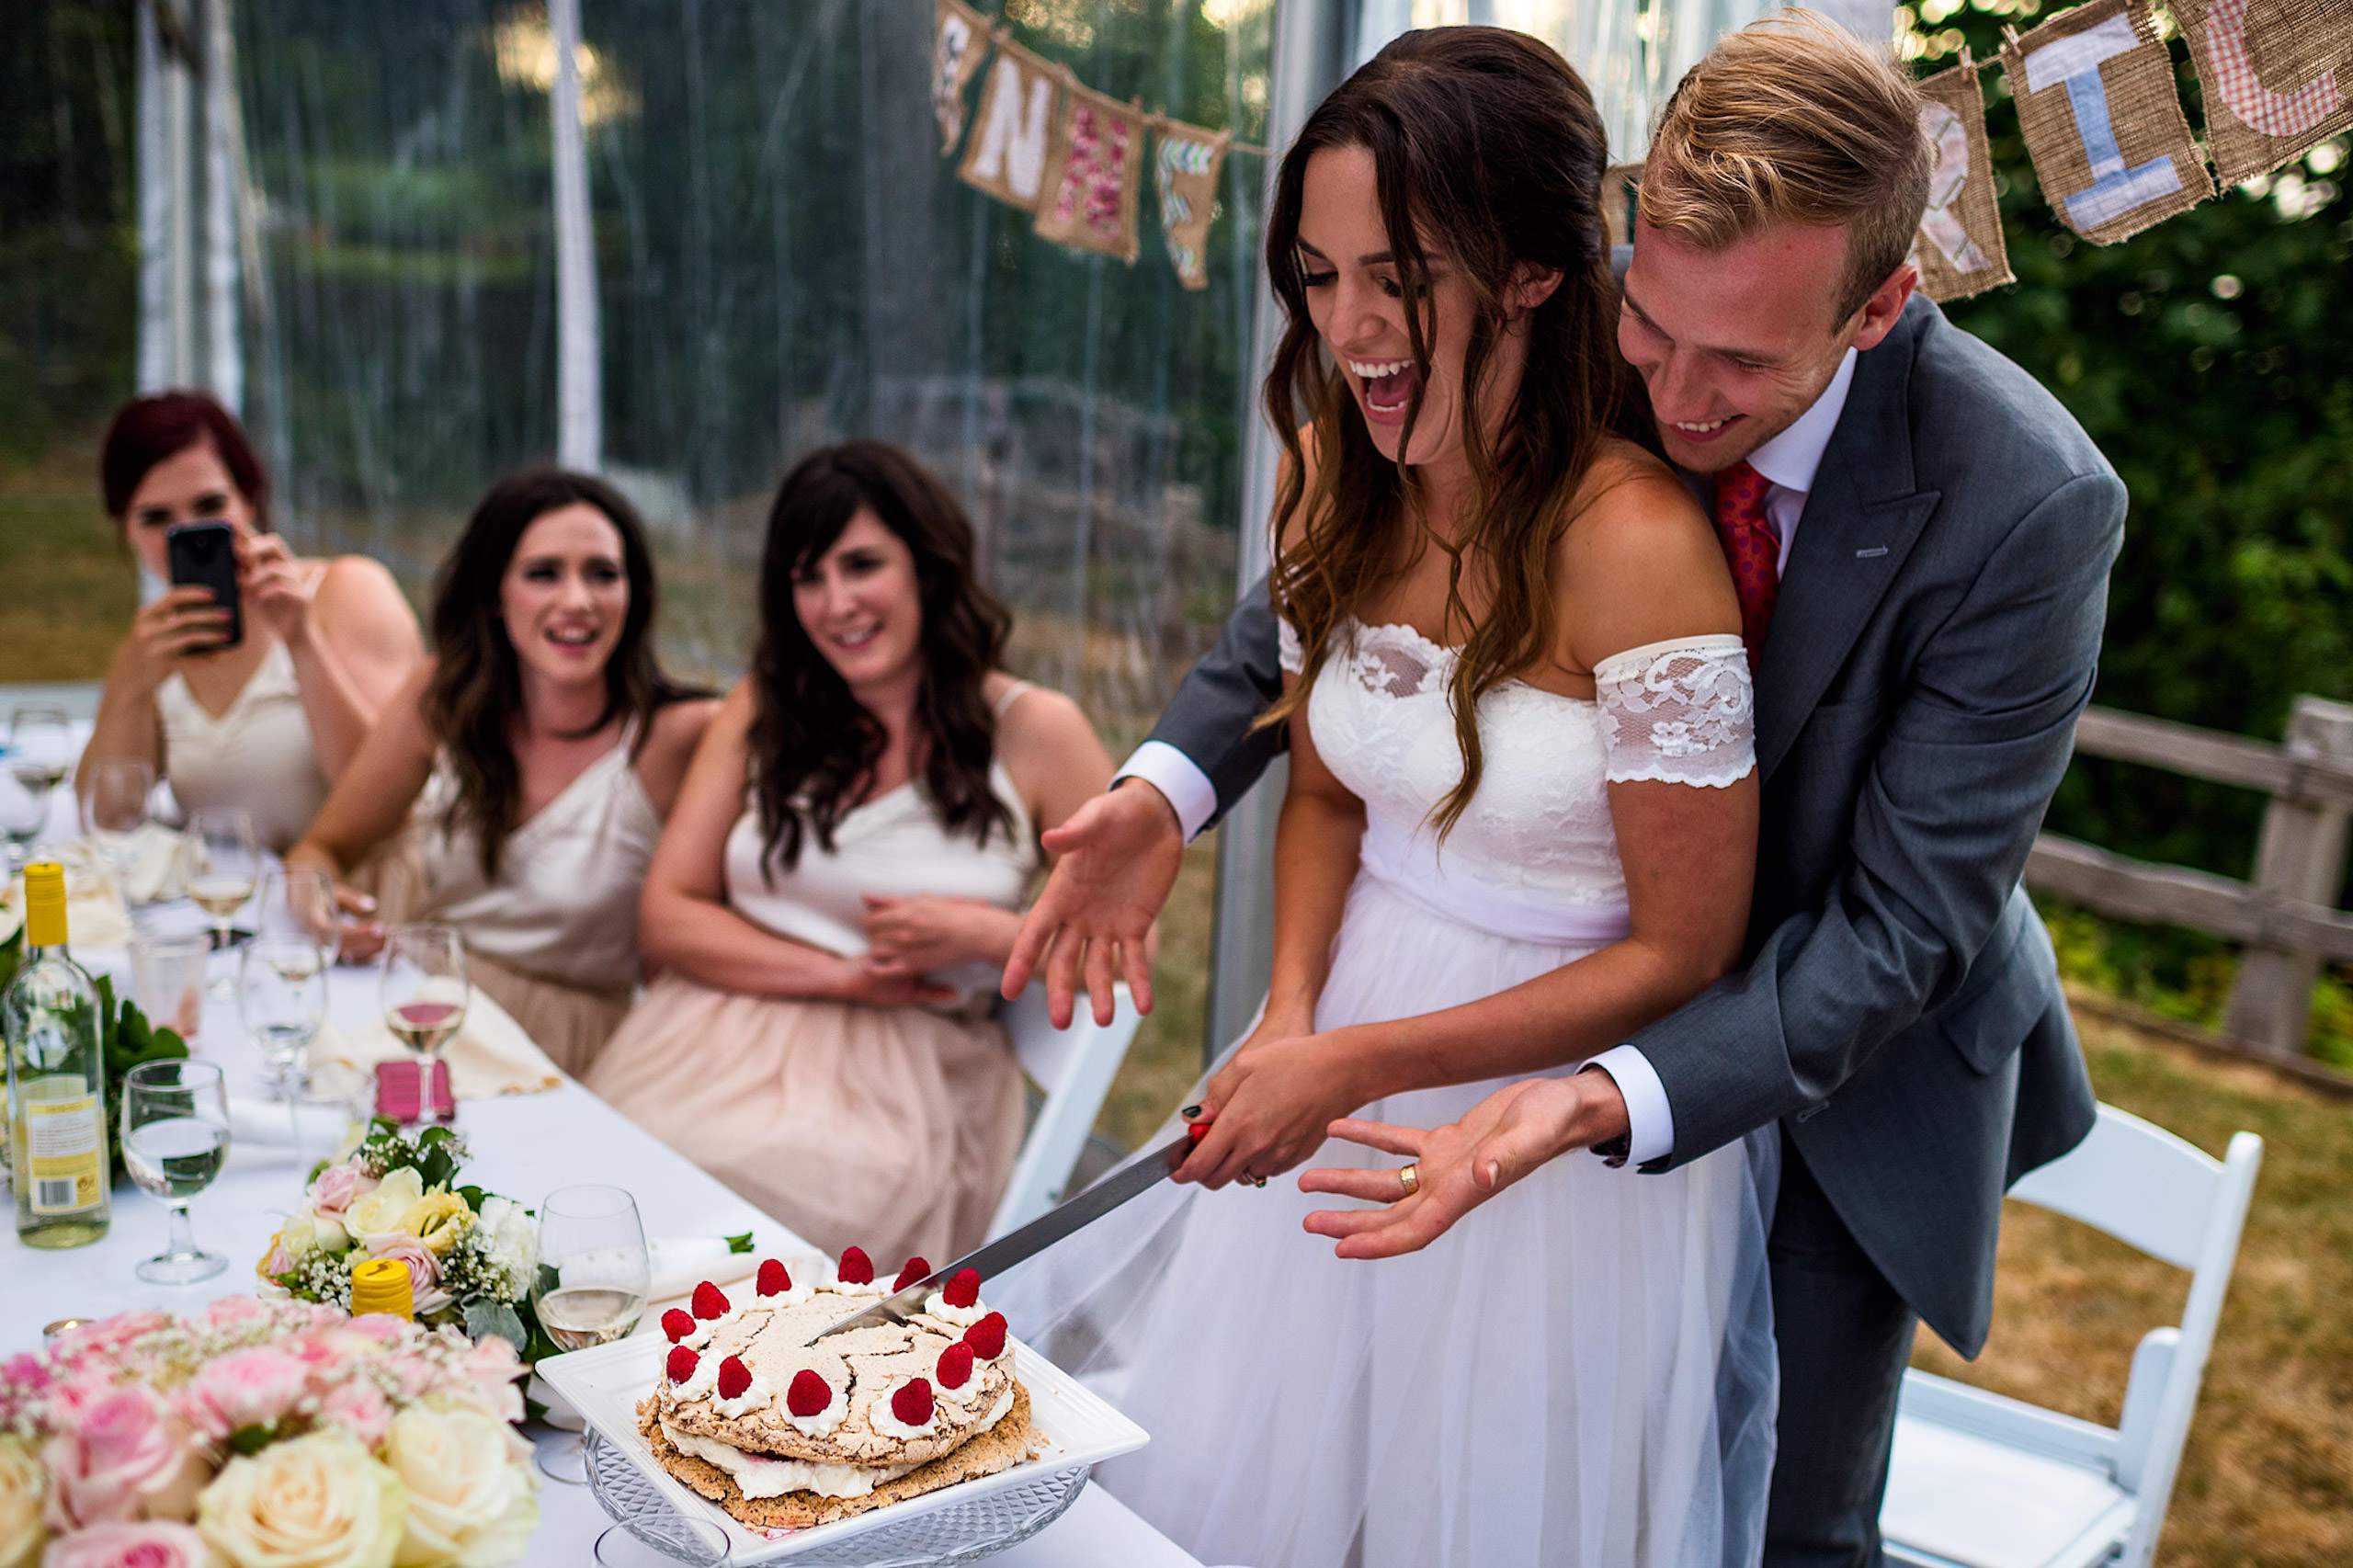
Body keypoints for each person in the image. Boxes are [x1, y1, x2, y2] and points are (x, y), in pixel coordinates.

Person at [1015, 17, 2126, 1568]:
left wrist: (1589, 1097)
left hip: (1837, 1049)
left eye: (1740, 360)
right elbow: (1335, 622)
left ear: (1881, 302)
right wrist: (1163, 795)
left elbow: (1900, 925)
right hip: (1492, 983)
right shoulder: (1522, 306)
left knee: (1774, 1521)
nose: (1670, 388)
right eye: (1650, 322)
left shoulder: (2030, 503)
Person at [995, 30, 1775, 1568]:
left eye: (1396, 274)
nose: (1348, 325)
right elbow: (1336, 796)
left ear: (1535, 271)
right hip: (1341, 1026)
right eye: (1315, 270)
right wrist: (1292, 1013)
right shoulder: (1326, 471)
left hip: (1539, 1125)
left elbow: (1685, 952)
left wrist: (1357, 1061)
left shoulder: (1639, 549)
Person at [585, 442, 1115, 1266]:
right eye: (808, 578)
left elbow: (1120, 948)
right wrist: (840, 975)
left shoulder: (1038, 732)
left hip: (909, 1078)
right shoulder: (765, 709)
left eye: (861, 565)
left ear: (927, 566)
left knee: (743, 1211)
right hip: (719, 1035)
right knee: (607, 1195)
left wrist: (982, 938)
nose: (837, 604)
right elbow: (667, 914)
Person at [286, 469, 716, 1075]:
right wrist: (317, 902)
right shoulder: (442, 696)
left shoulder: (681, 735)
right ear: (493, 594)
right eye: (544, 574)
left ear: (634, 593)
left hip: (569, 1051)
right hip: (421, 1010)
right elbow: (321, 847)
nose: (578, 600)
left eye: (603, 574)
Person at [78, 392, 424, 852]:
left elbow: (392, 799)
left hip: (353, 903)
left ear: (250, 499)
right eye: (156, 519)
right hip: (234, 912)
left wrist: (302, 642)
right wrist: (131, 685)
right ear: (126, 531)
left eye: (209, 506)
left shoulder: (345, 592)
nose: (187, 533)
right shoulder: (155, 642)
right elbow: (110, 818)